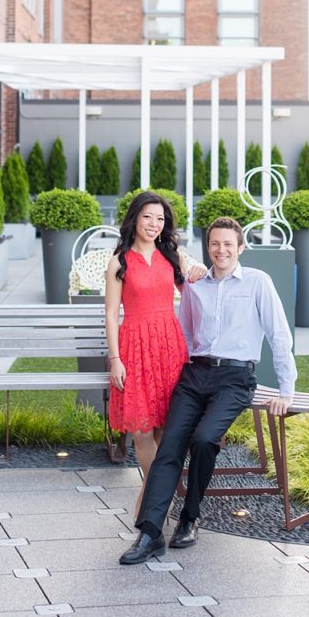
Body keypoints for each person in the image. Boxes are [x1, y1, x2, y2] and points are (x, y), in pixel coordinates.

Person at [119, 215, 296, 564]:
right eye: (215, 243)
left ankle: (189, 516)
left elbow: (279, 336)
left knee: (203, 439)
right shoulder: (195, 285)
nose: (221, 250)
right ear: (208, 247)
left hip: (236, 378)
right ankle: (150, 533)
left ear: (241, 248)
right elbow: (183, 335)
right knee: (169, 445)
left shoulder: (258, 282)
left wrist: (286, 389)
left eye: (228, 244)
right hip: (194, 375)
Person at [105, 190, 206, 519]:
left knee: (164, 427)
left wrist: (199, 270)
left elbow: (197, 285)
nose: (153, 224)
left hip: (168, 346)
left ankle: (150, 502)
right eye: (148, 217)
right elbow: (110, 315)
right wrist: (115, 359)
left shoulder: (172, 256)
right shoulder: (118, 262)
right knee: (141, 430)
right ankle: (154, 492)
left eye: (160, 219)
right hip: (134, 347)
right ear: (134, 219)